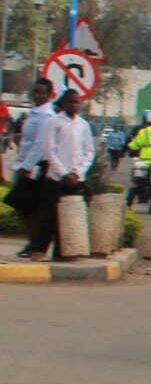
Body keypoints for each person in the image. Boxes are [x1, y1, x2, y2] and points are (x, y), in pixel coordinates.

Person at [30, 89, 95, 258]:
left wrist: (77, 173)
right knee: (49, 217)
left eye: (77, 102)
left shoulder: (83, 125)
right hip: (56, 179)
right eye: (71, 102)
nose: (74, 105)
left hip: (75, 179)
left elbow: (89, 152)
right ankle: (39, 250)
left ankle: (63, 251)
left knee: (69, 218)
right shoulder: (55, 122)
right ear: (64, 103)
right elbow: (50, 150)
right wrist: (64, 174)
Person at [4, 78, 57, 259]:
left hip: (35, 167)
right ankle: (32, 242)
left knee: (25, 205)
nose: (38, 95)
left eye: (42, 92)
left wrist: (26, 166)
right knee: (24, 206)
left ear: (49, 94)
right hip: (25, 163)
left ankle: (35, 243)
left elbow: (40, 144)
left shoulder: (45, 115)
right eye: (36, 92)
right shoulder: (35, 112)